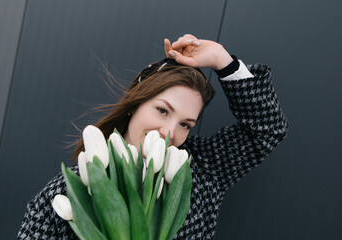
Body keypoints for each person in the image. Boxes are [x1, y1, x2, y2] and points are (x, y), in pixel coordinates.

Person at [17, 34, 288, 239]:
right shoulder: (70, 191)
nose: (169, 133)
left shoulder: (201, 170)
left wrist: (221, 59)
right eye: (162, 110)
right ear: (137, 101)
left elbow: (266, 129)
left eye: (186, 124)